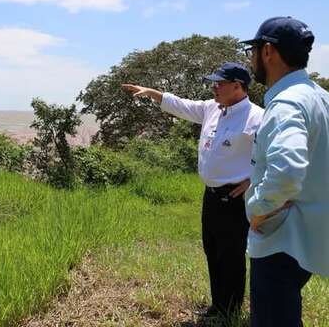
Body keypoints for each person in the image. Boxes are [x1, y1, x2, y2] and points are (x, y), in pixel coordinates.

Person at [122, 62, 263, 319]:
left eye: (219, 83)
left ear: (237, 86)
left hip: (235, 199)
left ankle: (229, 311)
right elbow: (182, 105)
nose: (214, 87)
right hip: (210, 196)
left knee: (230, 256)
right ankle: (218, 305)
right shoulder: (212, 109)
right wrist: (154, 93)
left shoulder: (258, 117)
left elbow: (273, 155)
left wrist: (254, 179)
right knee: (212, 250)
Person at [242, 16, 329, 327]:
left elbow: (287, 169)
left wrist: (257, 209)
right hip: (311, 235)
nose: (251, 59)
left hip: (281, 239)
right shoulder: (320, 97)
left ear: (268, 52)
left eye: (251, 51)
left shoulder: (286, 104)